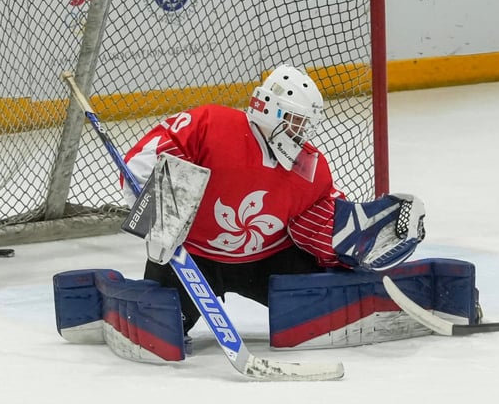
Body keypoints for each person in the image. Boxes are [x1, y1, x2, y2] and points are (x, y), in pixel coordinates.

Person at [121, 64, 424, 344]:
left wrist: (359, 236)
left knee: (327, 307)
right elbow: (139, 163)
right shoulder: (211, 125)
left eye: (304, 125)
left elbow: (320, 222)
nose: (300, 133)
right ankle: (121, 303)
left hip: (267, 260)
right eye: (295, 122)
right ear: (269, 109)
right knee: (157, 329)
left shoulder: (309, 167)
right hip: (192, 257)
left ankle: (377, 298)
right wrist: (157, 209)